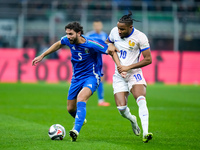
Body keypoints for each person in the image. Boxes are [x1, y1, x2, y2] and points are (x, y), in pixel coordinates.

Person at [32, 21, 118, 142]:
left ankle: (75, 130)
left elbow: (110, 50)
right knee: (70, 109)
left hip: (91, 76)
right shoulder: (68, 40)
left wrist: (120, 66)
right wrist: (42, 55)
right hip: (76, 78)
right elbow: (58, 44)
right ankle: (81, 119)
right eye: (67, 34)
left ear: (79, 33)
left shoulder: (91, 44)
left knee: (81, 98)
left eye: (71, 34)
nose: (68, 36)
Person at [105, 11, 153, 143]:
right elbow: (108, 43)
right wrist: (110, 44)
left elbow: (148, 59)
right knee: (121, 108)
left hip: (134, 73)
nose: (119, 31)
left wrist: (128, 67)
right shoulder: (114, 31)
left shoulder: (140, 37)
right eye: (118, 28)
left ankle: (146, 132)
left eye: (122, 29)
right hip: (119, 75)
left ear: (130, 27)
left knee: (141, 98)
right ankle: (133, 120)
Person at [86, 20, 110, 107]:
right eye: (96, 26)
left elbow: (108, 46)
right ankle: (99, 100)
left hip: (99, 60)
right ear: (93, 26)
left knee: (100, 79)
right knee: (95, 78)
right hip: (90, 60)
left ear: (101, 26)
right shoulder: (89, 35)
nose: (97, 27)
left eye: (99, 25)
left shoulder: (104, 35)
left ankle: (101, 100)